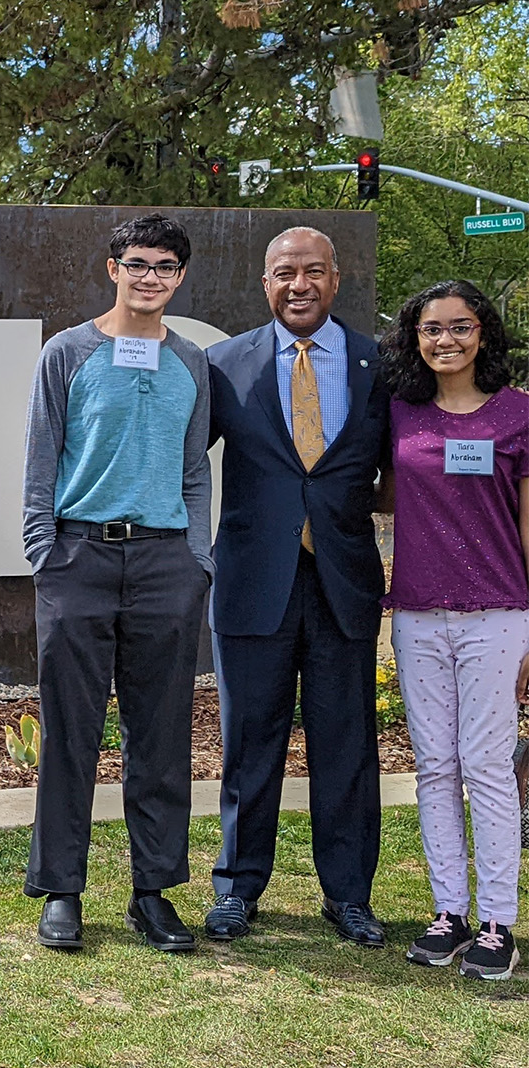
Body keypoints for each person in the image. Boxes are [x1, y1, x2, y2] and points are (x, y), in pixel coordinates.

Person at [21, 213, 213, 952]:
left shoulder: (192, 363)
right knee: (70, 730)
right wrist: (46, 550)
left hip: (166, 563)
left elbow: (195, 467)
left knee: (159, 734)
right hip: (79, 558)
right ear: (113, 269)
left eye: (165, 266)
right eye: (137, 263)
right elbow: (43, 461)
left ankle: (152, 893)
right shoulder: (68, 352)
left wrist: (198, 554)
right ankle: (62, 890)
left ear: (179, 278)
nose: (150, 277)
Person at [204, 227, 390, 947]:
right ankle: (237, 889)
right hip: (253, 584)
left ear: (336, 280)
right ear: (265, 282)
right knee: (250, 745)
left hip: (343, 582)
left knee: (347, 745)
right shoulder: (224, 364)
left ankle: (348, 895)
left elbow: (403, 465)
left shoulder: (380, 364)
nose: (299, 284)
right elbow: (184, 461)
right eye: (285, 272)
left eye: (314, 271)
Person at [378, 280, 527, 980]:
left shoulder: (519, 416)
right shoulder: (401, 415)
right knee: (434, 765)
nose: (445, 339)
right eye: (431, 328)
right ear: (415, 338)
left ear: (483, 335)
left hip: (498, 613)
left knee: (488, 765)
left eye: (460, 327)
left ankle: (500, 921)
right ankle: (449, 913)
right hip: (416, 614)